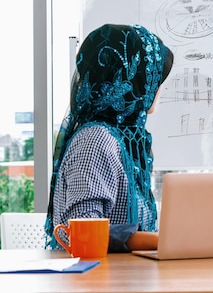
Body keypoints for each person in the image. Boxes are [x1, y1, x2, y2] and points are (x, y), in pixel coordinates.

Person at [44, 23, 174, 252]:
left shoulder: (123, 140)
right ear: (135, 82)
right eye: (154, 79)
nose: (158, 88)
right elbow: (84, 228)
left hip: (125, 275)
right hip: (99, 281)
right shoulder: (96, 140)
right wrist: (160, 242)